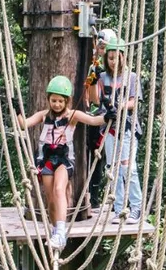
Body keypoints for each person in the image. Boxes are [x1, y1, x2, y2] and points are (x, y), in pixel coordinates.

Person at [16, 75, 115, 249]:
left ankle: (61, 233)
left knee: (59, 189)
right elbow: (24, 124)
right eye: (54, 100)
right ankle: (56, 231)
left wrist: (108, 117)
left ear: (67, 101)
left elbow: (92, 120)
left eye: (61, 101)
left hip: (64, 158)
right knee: (51, 199)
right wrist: (16, 108)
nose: (57, 104)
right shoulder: (43, 115)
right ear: (48, 100)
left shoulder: (72, 115)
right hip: (45, 159)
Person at [88, 39, 144, 224]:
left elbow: (134, 102)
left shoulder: (132, 77)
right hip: (109, 128)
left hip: (126, 126)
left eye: (116, 57)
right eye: (110, 58)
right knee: (112, 168)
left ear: (123, 57)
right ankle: (119, 207)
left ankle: (136, 206)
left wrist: (119, 106)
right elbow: (95, 100)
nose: (113, 61)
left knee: (128, 167)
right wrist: (92, 80)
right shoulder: (103, 77)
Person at [85, 28, 117, 210]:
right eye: (101, 47)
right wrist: (94, 79)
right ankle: (94, 198)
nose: (103, 51)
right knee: (95, 158)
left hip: (113, 118)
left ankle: (115, 198)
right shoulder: (94, 66)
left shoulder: (118, 69)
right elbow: (93, 98)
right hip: (97, 117)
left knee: (112, 158)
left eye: (106, 48)